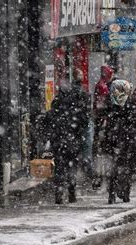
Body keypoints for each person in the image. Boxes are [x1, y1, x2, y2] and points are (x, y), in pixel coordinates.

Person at [47, 70, 90, 204]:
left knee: (60, 167)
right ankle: (71, 193)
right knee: (71, 166)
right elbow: (84, 121)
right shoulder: (76, 105)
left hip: (59, 140)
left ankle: (59, 194)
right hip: (72, 140)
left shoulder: (57, 103)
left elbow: (49, 119)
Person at [102, 80, 136, 204]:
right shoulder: (129, 103)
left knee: (113, 168)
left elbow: (103, 120)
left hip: (112, 139)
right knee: (127, 168)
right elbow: (135, 121)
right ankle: (125, 192)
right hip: (126, 140)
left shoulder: (109, 102)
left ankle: (112, 194)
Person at [92, 65, 114, 189]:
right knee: (102, 152)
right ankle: (100, 177)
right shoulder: (103, 87)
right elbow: (102, 106)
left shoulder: (102, 85)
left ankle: (100, 177)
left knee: (100, 152)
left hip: (101, 123)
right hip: (103, 124)